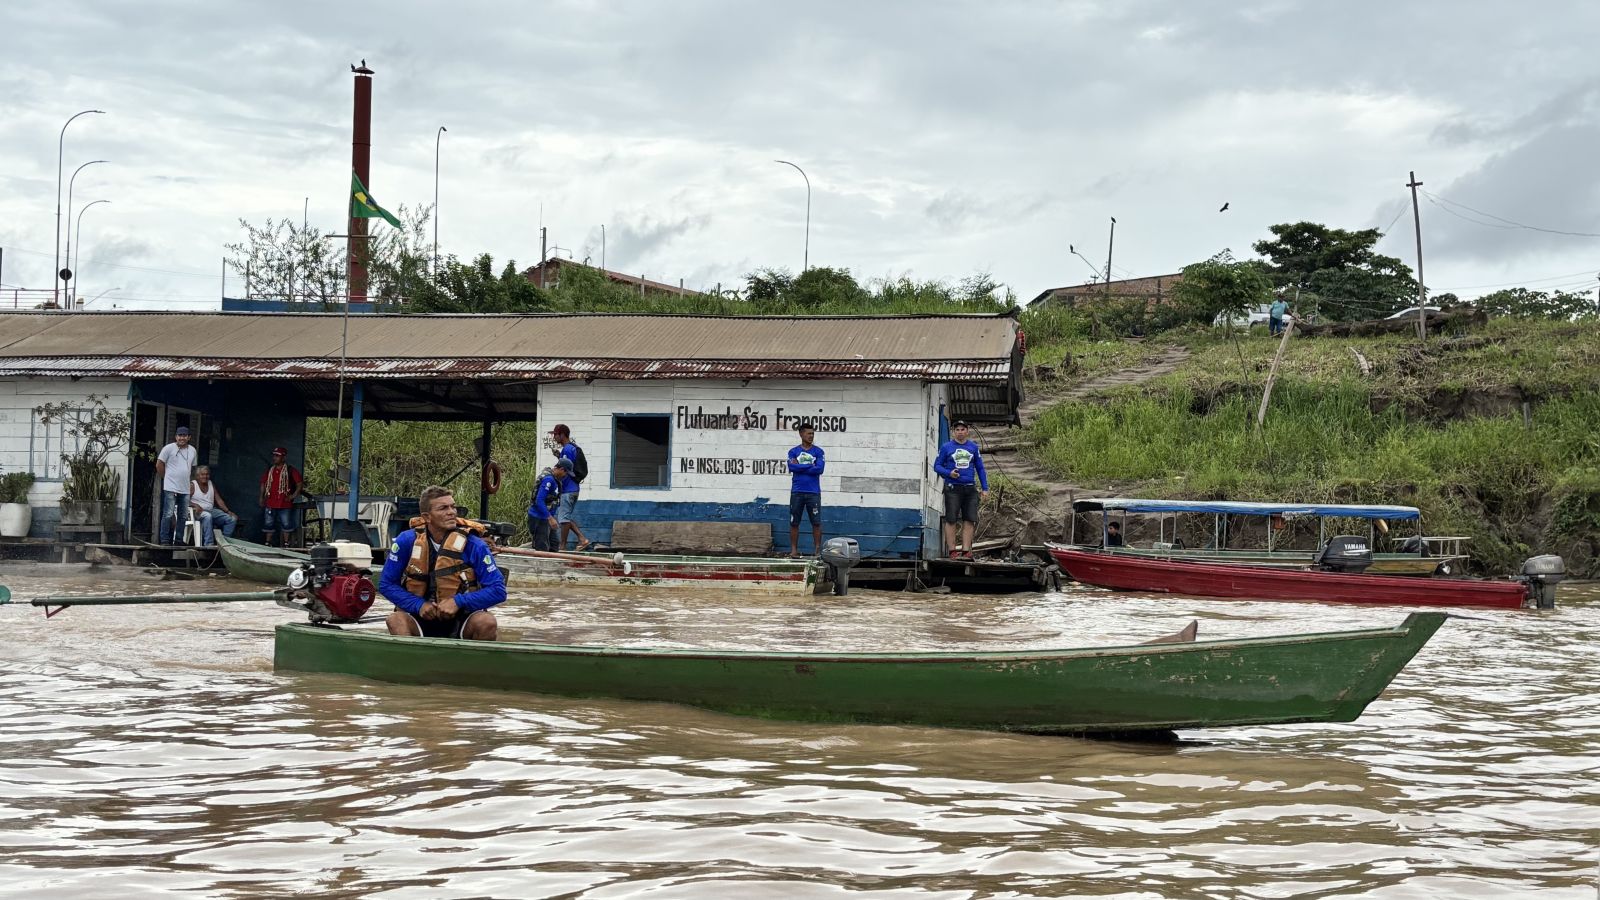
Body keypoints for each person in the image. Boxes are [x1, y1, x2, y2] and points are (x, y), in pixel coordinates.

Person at [380, 486, 507, 641]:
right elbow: (386, 584)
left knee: (487, 622)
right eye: (443, 508)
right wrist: (418, 605)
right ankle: (412, 662)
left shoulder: (475, 545)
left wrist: (457, 602)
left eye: (453, 507)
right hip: (419, 617)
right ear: (427, 517)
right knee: (395, 620)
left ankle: (475, 664)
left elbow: (498, 590)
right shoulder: (406, 541)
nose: (451, 512)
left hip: (462, 619)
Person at [933, 420, 988, 560]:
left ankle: (965, 551)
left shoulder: (973, 447)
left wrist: (985, 488)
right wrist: (949, 473)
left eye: (963, 429)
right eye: (957, 429)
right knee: (951, 519)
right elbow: (937, 466)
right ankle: (952, 550)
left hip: (970, 488)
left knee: (969, 519)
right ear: (953, 432)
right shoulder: (946, 447)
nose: (960, 432)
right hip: (953, 488)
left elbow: (980, 468)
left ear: (967, 431)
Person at [786, 423, 826, 558]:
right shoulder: (793, 452)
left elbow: (819, 469)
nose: (811, 436)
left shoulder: (819, 452)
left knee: (816, 522)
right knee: (794, 522)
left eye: (812, 434)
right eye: (808, 433)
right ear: (801, 434)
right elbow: (792, 467)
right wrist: (810, 465)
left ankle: (817, 551)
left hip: (813, 492)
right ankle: (794, 551)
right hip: (797, 491)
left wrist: (801, 466)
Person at [550, 424, 592, 551]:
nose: (554, 437)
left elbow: (564, 470)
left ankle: (562, 547)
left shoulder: (567, 449)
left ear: (562, 435)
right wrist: (559, 456)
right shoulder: (571, 448)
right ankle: (582, 539)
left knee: (563, 519)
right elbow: (569, 467)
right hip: (573, 489)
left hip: (568, 489)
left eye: (556, 435)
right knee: (565, 517)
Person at [156, 426, 198, 545]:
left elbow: (193, 468)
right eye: (179, 435)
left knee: (183, 515)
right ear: (176, 437)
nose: (182, 438)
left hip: (185, 488)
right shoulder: (168, 448)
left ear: (189, 437)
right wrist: (167, 479)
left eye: (184, 435)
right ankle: (164, 539)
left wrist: (191, 482)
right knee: (168, 514)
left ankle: (178, 540)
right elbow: (159, 465)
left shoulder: (192, 450)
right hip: (170, 487)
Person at [258, 447, 303, 547]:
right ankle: (267, 543)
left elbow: (299, 484)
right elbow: (263, 484)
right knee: (268, 523)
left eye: (277, 456)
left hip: (285, 503)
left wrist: (293, 496)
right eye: (274, 455)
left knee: (286, 524)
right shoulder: (270, 470)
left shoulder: (290, 470)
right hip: (270, 502)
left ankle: (286, 543)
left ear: (283, 457)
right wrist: (261, 497)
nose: (275, 457)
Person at [188, 465, 237, 546]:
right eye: (202, 474)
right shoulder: (193, 485)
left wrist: (228, 511)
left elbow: (219, 500)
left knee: (232, 519)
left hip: (211, 511)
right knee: (207, 516)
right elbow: (184, 500)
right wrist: (195, 505)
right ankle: (209, 544)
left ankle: (223, 544)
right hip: (197, 512)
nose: (205, 476)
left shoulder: (210, 484)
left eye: (207, 474)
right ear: (197, 476)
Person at [526, 461, 564, 552]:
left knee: (554, 544)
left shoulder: (554, 479)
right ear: (562, 469)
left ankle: (552, 565)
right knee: (542, 548)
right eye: (565, 473)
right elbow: (539, 500)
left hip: (546, 518)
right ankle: (538, 566)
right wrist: (550, 518)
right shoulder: (549, 479)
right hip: (539, 518)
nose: (565, 476)